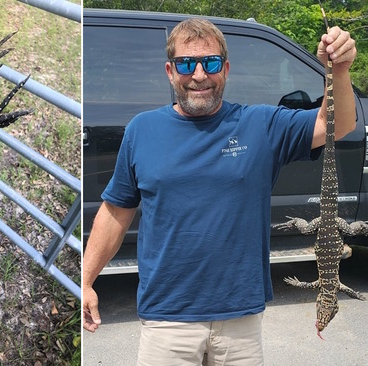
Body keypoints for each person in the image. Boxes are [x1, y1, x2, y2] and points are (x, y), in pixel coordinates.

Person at [82, 18, 357, 365]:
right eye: (186, 64)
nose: (198, 75)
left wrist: (341, 70)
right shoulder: (142, 129)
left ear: (225, 69)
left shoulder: (261, 125)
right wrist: (86, 279)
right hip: (167, 319)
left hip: (239, 320)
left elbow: (337, 123)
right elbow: (115, 213)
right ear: (170, 71)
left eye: (210, 63)